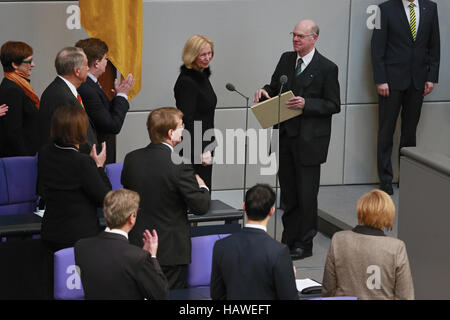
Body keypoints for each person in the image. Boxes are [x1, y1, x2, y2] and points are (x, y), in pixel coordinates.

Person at [253, 19, 340, 260]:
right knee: (289, 193)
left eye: (301, 36)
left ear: (314, 38)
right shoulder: (286, 59)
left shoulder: (327, 68)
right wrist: (263, 92)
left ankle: (305, 242)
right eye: (294, 35)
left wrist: (307, 104)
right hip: (286, 137)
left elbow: (334, 104)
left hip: (311, 142)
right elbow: (273, 87)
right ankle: (288, 238)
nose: (295, 39)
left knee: (306, 195)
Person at [121, 107, 210, 289]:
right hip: (170, 253)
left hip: (138, 244)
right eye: (181, 125)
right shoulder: (179, 165)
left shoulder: (131, 159)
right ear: (171, 133)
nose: (183, 128)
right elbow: (200, 206)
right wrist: (202, 186)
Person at [371, 0, 440, 195]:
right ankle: (385, 179)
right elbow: (377, 47)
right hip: (390, 83)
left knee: (410, 132)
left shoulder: (431, 8)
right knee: (386, 131)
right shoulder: (384, 9)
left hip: (418, 81)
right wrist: (380, 79)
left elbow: (435, 45)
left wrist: (431, 77)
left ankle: (407, 177)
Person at [37, 105, 111, 251]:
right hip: (79, 238)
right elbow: (105, 197)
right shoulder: (82, 162)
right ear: (80, 130)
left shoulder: (44, 153)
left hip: (51, 232)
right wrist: (99, 167)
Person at [75, 188, 169, 300]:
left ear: (106, 214)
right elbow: (161, 295)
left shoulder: (81, 247)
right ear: (132, 218)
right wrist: (152, 257)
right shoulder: (138, 257)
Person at [210, 184, 299, 300]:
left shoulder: (221, 246)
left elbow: (217, 295)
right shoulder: (279, 252)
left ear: (244, 207)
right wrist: (289, 277)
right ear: (271, 211)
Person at [321, 189, 414, 300]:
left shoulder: (339, 240)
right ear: (388, 214)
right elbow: (405, 296)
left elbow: (328, 290)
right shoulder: (396, 248)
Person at [75, 38, 134, 164]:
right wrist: (122, 96)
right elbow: (112, 125)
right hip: (96, 155)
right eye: (106, 59)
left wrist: (118, 97)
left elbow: (102, 112)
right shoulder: (87, 88)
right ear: (96, 63)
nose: (107, 62)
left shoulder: (91, 84)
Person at [174, 35, 217, 189]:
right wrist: (200, 151)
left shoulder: (202, 75)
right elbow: (188, 119)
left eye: (209, 53)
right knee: (197, 194)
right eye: (202, 55)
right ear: (192, 55)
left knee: (204, 191)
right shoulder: (188, 81)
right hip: (194, 148)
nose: (207, 58)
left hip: (206, 142)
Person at [39, 47, 97, 154]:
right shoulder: (60, 96)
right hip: (69, 165)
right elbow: (69, 137)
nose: (88, 69)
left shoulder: (62, 90)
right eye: (86, 65)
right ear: (77, 71)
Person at [0, 41, 39, 157]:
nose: (33, 64)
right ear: (14, 65)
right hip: (21, 159)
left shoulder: (19, 85)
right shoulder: (12, 90)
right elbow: (13, 133)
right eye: (29, 61)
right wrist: (26, 159)